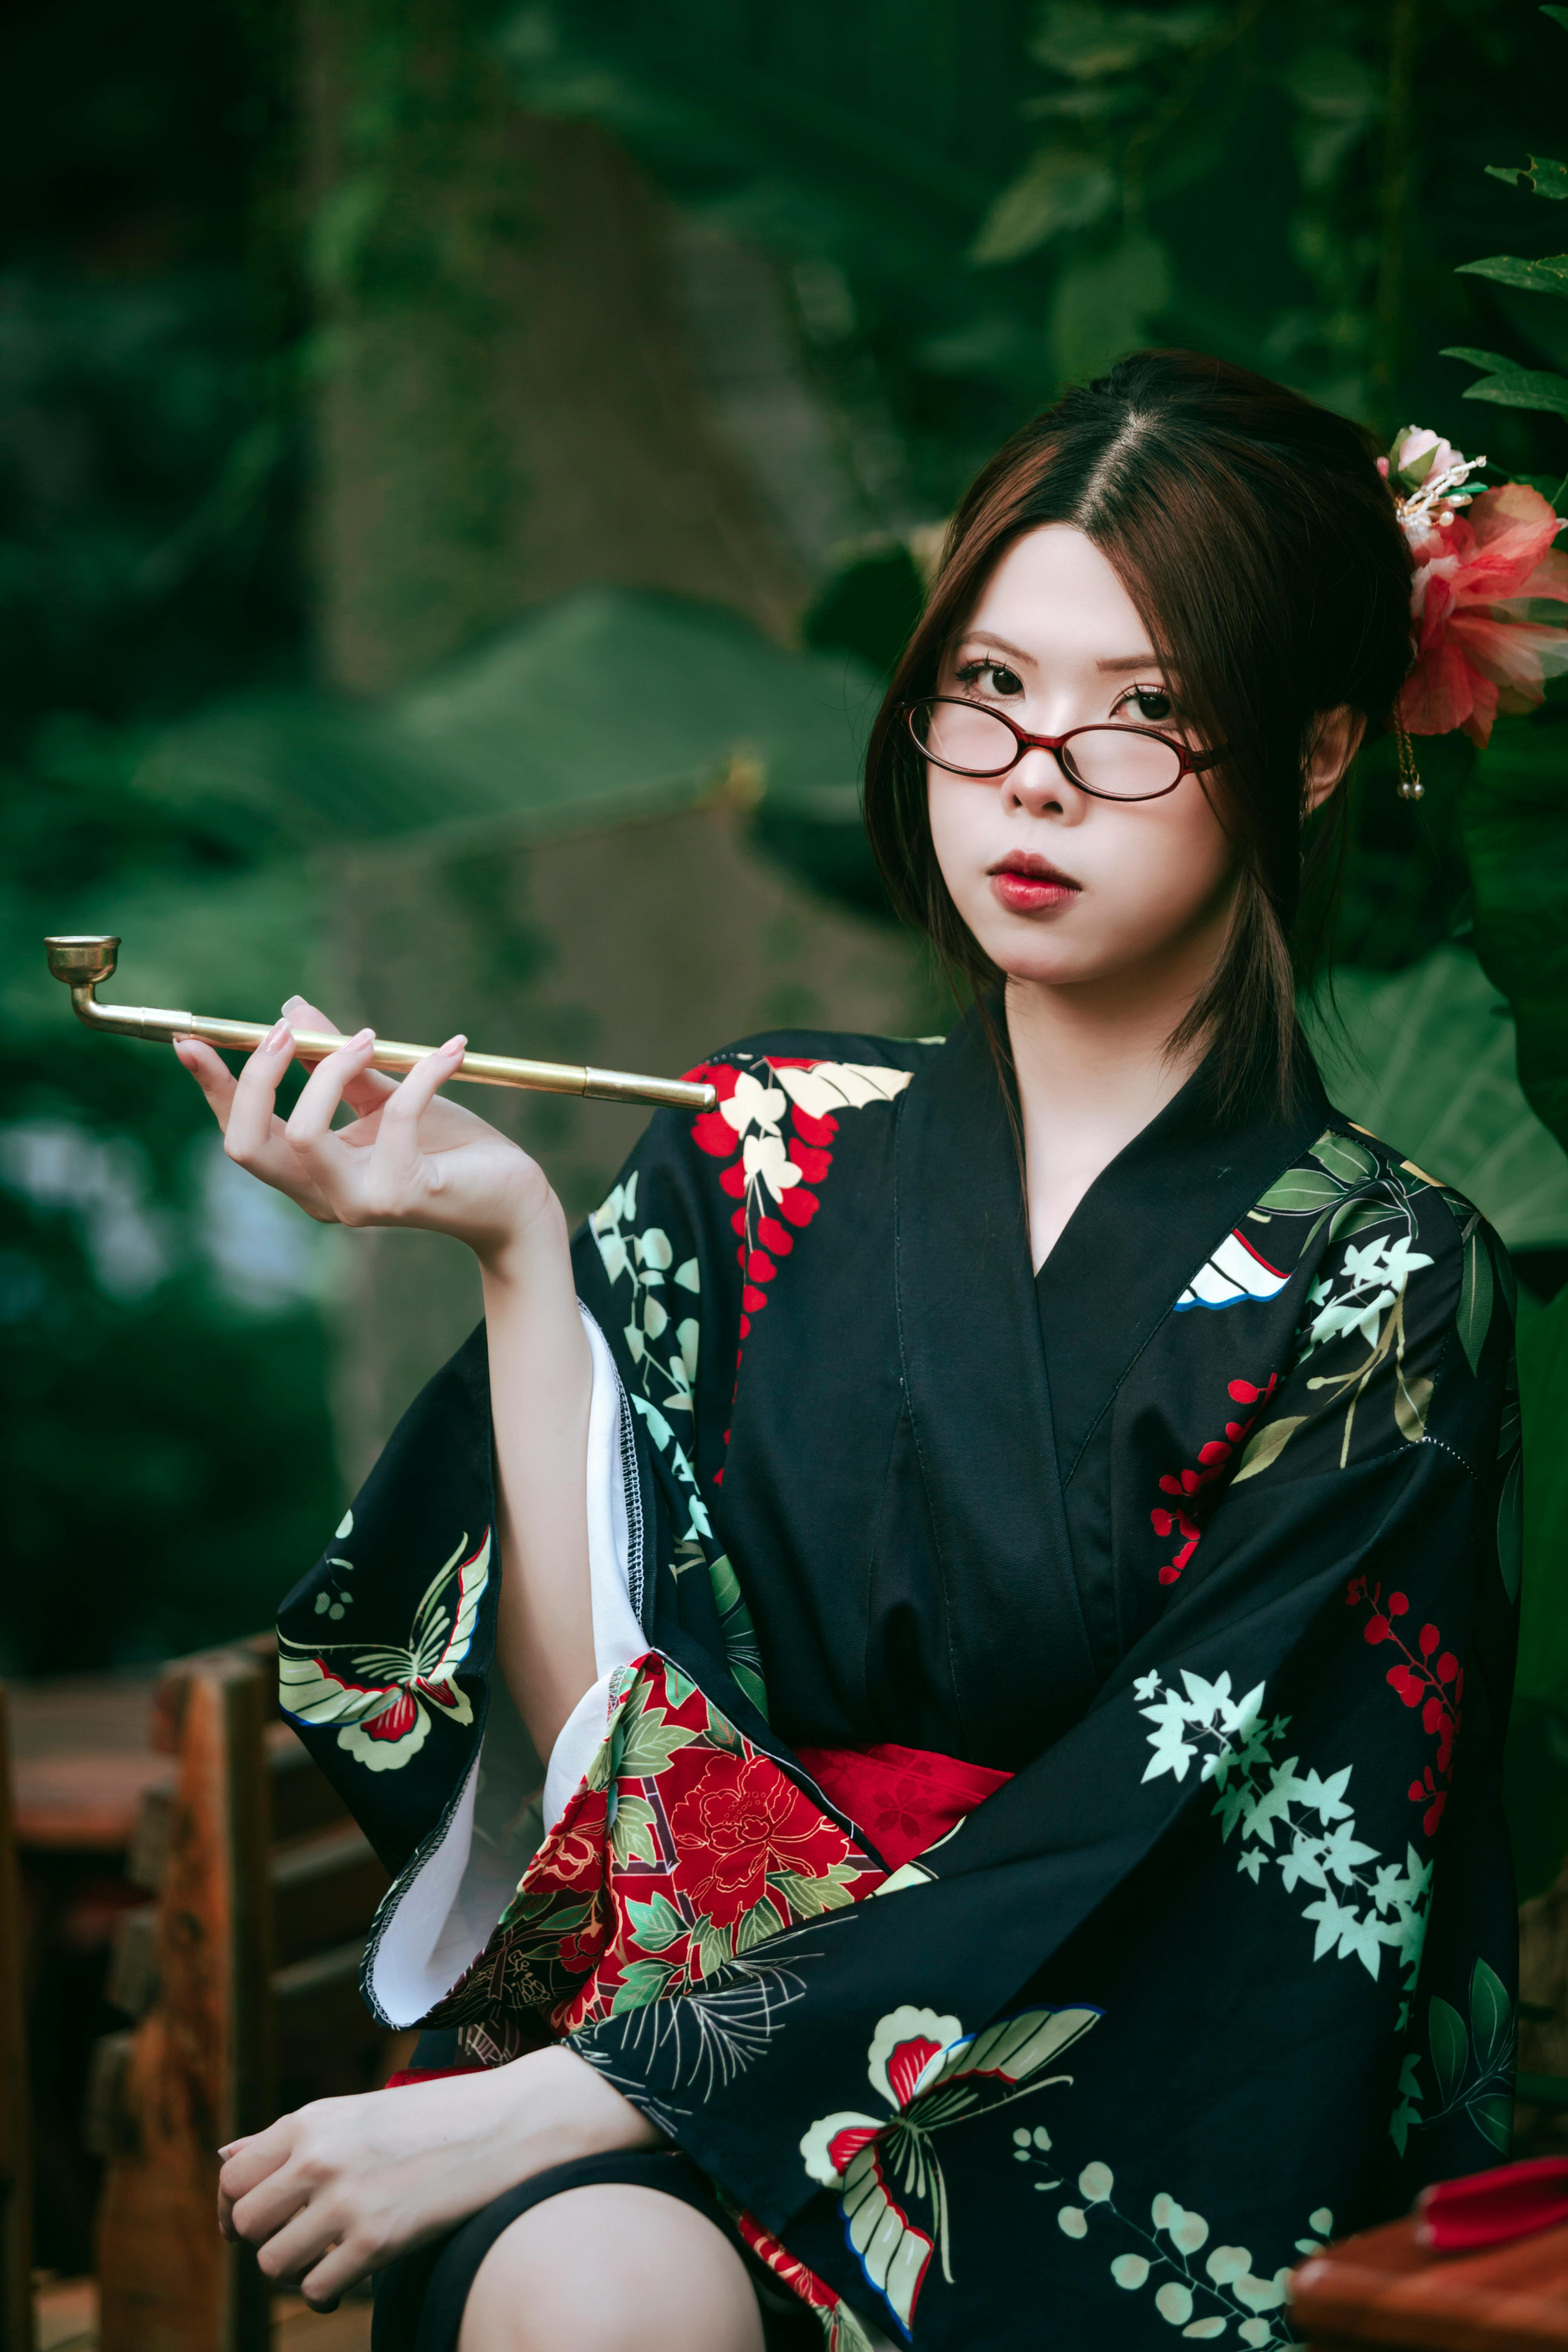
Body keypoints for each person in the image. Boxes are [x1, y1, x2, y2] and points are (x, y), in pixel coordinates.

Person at [177, 351, 1521, 2352]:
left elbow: (1158, 1852)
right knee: (591, 2280)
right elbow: (598, 1772)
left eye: (1148, 710)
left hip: (1107, 2103)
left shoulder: (1389, 1280)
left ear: (1317, 753)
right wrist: (521, 1257)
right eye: (989, 689)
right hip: (682, 2020)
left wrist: (563, 2097)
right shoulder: (762, 1144)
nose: (1039, 775)